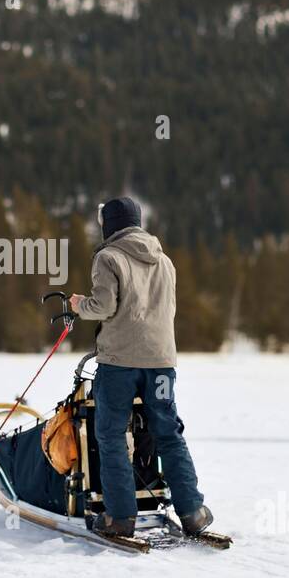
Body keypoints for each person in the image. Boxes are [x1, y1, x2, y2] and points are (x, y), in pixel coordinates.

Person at [69, 197, 214, 539]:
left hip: (120, 363)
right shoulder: (165, 261)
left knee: (112, 435)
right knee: (167, 433)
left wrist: (79, 305)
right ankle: (192, 512)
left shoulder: (108, 257)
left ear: (110, 224)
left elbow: (104, 306)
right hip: (162, 363)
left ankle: (121, 519)